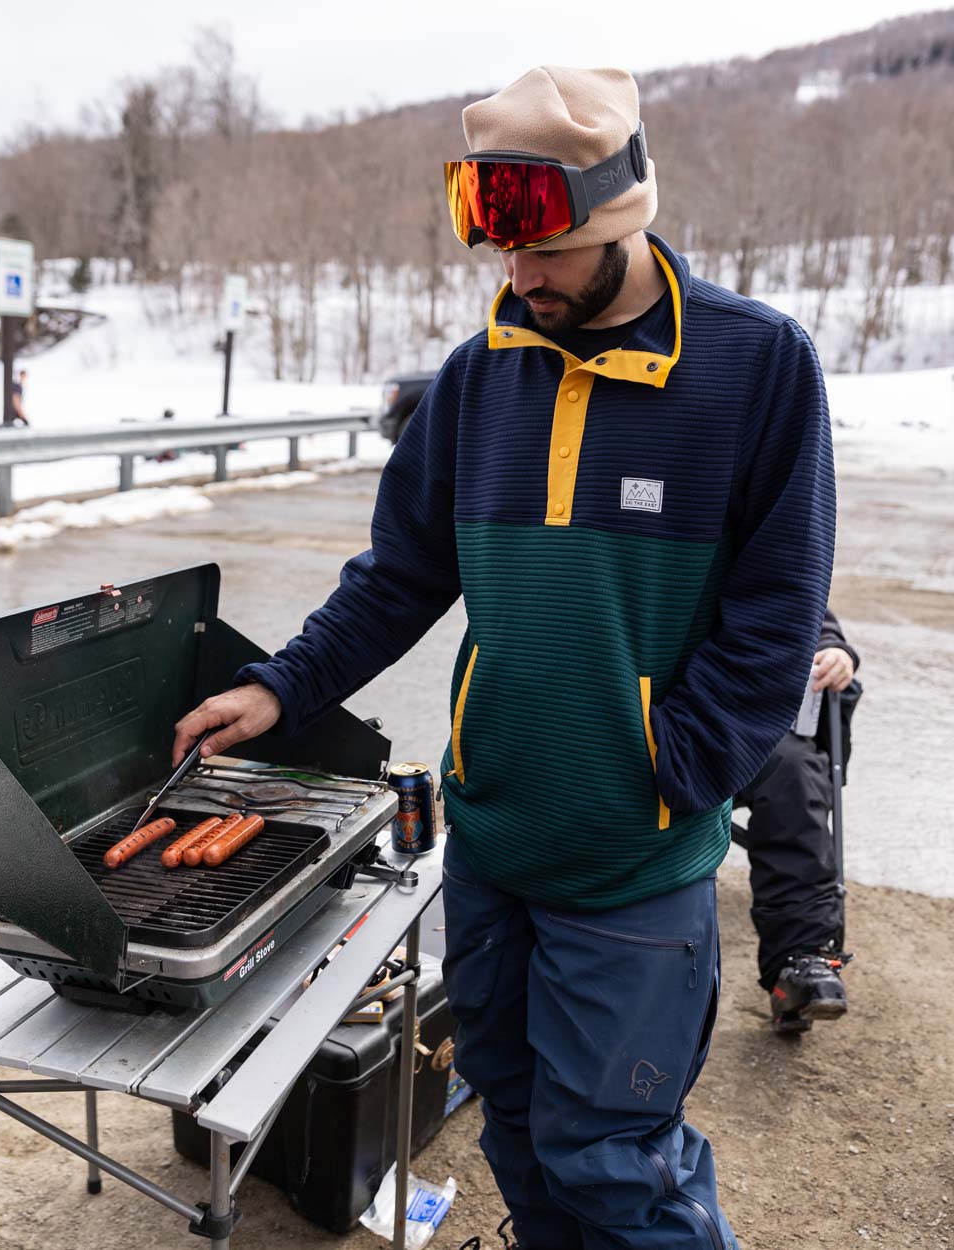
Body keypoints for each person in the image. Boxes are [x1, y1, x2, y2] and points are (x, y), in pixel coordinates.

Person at [172, 66, 836, 1250]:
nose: (517, 279)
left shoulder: (755, 366)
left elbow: (778, 615)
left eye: (547, 255)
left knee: (617, 1166)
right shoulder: (484, 377)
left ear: (619, 220)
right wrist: (278, 684)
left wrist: (670, 768)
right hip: (489, 848)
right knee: (519, 1133)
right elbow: (399, 577)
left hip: (631, 866)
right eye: (504, 254)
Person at [734, 610, 861, 1034]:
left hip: (733, 725)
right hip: (630, 716)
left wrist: (833, 650)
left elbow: (799, 600)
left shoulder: (737, 543)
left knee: (793, 767)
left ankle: (798, 961)